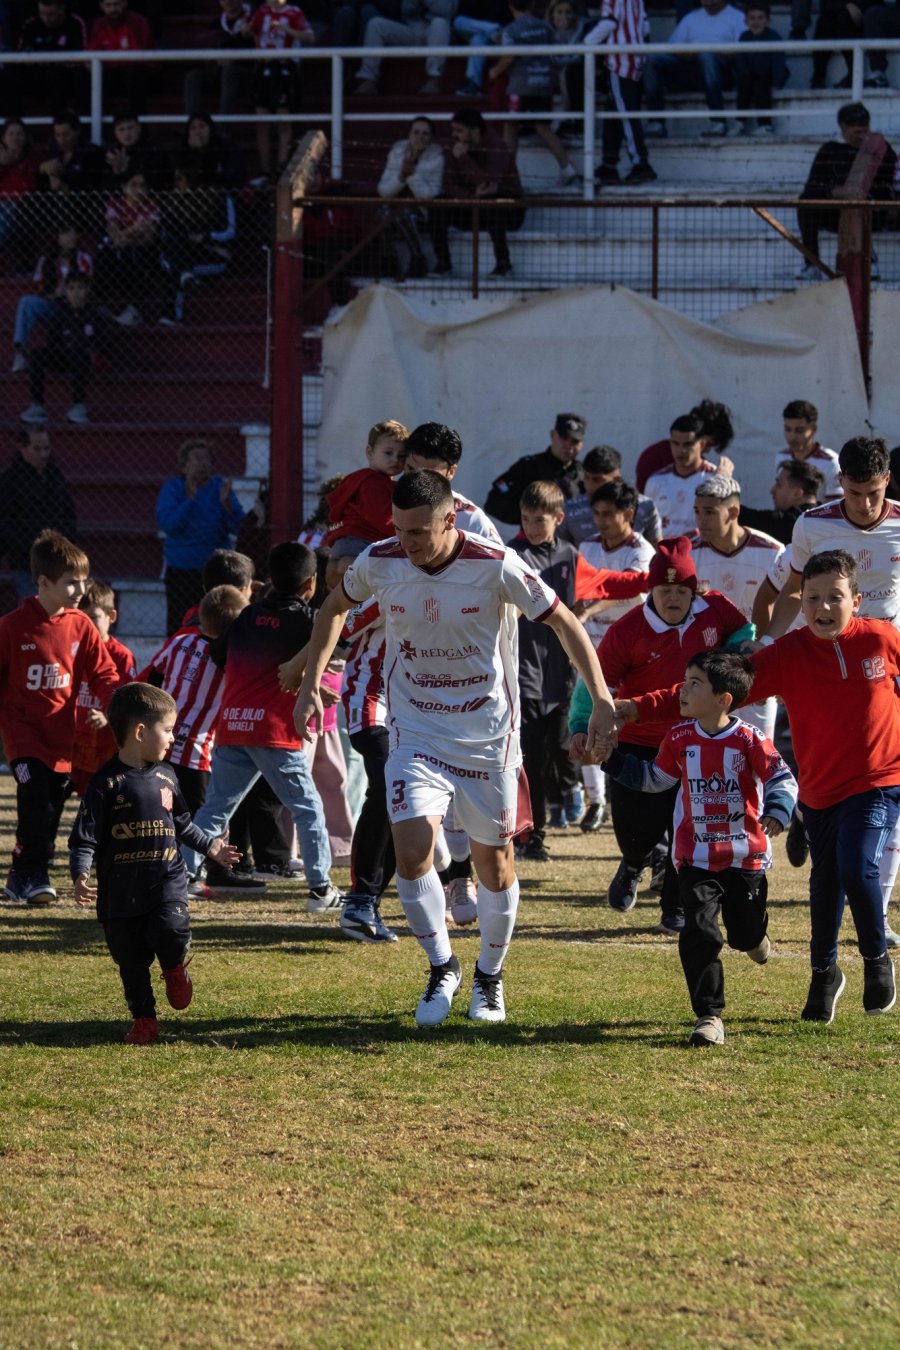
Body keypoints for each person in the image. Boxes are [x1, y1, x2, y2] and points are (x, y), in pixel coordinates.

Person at [294, 470, 618, 1026]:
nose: (407, 542)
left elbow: (565, 622)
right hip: (415, 731)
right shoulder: (381, 558)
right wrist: (308, 686)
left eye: (419, 532)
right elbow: (332, 608)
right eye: (400, 529)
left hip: (488, 737)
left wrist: (603, 699)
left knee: (495, 865)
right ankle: (442, 966)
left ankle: (489, 976)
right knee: (412, 849)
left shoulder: (496, 564)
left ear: (449, 520)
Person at [623, 550, 900, 1023]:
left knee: (857, 867)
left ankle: (876, 959)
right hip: (819, 791)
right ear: (801, 602)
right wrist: (635, 708)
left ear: (856, 601)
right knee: (825, 885)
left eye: (835, 597)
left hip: (879, 781)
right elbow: (712, 688)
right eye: (812, 598)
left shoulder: (882, 638)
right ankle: (824, 973)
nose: (823, 607)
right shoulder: (788, 654)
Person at [592, 650, 797, 1046]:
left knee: (743, 935)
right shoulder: (679, 738)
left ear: (723, 699)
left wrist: (778, 810)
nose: (682, 691)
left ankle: (755, 939)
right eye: (684, 682)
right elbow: (655, 779)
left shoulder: (749, 739)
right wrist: (612, 762)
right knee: (699, 932)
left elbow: (781, 778)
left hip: (745, 859)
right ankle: (709, 1015)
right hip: (695, 858)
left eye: (694, 684)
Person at [754, 436, 900, 945]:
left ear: (888, 482)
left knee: (887, 780)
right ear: (840, 483)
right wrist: (767, 648)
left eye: (874, 493)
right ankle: (807, 815)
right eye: (855, 493)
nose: (865, 504)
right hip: (825, 661)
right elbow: (787, 590)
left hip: (883, 664)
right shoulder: (812, 525)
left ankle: (878, 913)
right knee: (829, 765)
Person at [577, 535, 750, 930]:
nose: (673, 598)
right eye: (664, 590)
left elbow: (743, 629)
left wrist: (742, 646)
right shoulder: (628, 630)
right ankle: (633, 862)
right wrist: (580, 728)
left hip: (694, 742)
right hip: (638, 744)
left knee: (687, 831)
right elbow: (594, 684)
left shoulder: (715, 609)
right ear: (650, 591)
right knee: (636, 832)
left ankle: (676, 907)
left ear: (694, 591)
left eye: (681, 590)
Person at [70, 683, 242, 1046]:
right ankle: (144, 1019)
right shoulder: (105, 783)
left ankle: (174, 967)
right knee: (130, 960)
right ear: (140, 732)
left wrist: (212, 848)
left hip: (166, 879)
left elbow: (183, 824)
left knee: (171, 929)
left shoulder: (167, 776)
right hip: (120, 892)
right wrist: (80, 874)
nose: (173, 737)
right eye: (167, 729)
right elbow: (85, 837)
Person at [182, 542, 341, 915]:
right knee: (307, 808)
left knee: (214, 809)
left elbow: (219, 655)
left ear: (269, 579)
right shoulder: (309, 621)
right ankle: (321, 889)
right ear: (311, 583)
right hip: (273, 733)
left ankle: (184, 875)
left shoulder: (246, 616)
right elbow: (331, 648)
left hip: (233, 727)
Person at [0, 530, 118, 906]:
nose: (81, 589)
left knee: (50, 806)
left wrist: (115, 704)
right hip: (23, 736)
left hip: (61, 738)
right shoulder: (12, 626)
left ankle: (23, 874)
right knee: (34, 796)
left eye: (83, 581)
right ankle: (33, 873)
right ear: (43, 582)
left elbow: (104, 673)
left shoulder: (81, 625)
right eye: (71, 582)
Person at [508, 480, 583, 861]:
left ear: (558, 518)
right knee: (531, 760)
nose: (532, 527)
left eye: (539, 520)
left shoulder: (571, 556)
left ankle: (570, 792)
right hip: (525, 673)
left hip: (561, 675)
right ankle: (531, 836)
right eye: (526, 519)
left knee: (563, 748)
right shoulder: (512, 555)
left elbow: (586, 601)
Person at [692, 473, 783, 738]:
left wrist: (774, 661)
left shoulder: (772, 552)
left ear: (733, 512)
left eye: (709, 512)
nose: (700, 520)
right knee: (709, 750)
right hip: (707, 674)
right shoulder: (689, 554)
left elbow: (787, 612)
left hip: (756, 671)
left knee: (759, 749)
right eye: (697, 511)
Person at [155, 439, 252, 637]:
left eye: (207, 459)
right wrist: (189, 501)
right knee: (179, 623)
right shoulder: (174, 488)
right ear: (184, 465)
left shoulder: (220, 487)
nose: (203, 463)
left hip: (214, 567)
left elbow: (239, 527)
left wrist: (227, 507)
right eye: (198, 459)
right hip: (182, 568)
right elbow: (170, 526)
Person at [487, 0, 581, 191]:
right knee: (543, 127)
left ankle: (509, 176)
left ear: (510, 6)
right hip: (543, 84)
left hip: (520, 87)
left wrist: (494, 71)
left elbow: (508, 57)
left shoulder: (511, 30)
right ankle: (568, 168)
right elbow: (556, 53)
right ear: (531, 5)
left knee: (510, 128)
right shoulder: (545, 27)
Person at [797, 103, 896, 277]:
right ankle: (812, 265)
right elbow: (812, 188)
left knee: (858, 204)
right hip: (834, 210)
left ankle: (867, 259)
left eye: (864, 130)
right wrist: (836, 192)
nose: (861, 136)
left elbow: (886, 186)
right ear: (843, 127)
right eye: (856, 132)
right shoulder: (830, 150)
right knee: (805, 203)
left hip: (871, 211)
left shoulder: (880, 149)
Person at [430, 107, 525, 280]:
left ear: (475, 131)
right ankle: (443, 263)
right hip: (473, 204)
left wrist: (464, 159)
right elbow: (449, 185)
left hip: (508, 211)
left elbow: (487, 184)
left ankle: (504, 263)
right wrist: (471, 195)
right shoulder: (454, 147)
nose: (454, 135)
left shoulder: (497, 146)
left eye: (459, 130)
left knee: (491, 201)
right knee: (438, 204)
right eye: (453, 130)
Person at [71, 580, 138, 797]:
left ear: (111, 616)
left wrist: (107, 716)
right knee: (52, 800)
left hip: (103, 746)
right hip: (72, 743)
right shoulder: (71, 651)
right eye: (80, 618)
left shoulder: (121, 656)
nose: (86, 625)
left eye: (93, 617)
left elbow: (127, 701)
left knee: (97, 802)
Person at [323, 419, 408, 588]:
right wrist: (407, 533)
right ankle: (348, 563)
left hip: (347, 542)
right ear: (370, 452)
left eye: (401, 456)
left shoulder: (365, 479)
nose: (395, 460)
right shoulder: (373, 483)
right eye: (388, 453)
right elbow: (383, 518)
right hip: (359, 543)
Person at [644, 0, 747, 139]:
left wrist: (711, 52)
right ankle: (656, 122)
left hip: (721, 73)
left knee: (707, 56)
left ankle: (718, 122)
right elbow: (672, 47)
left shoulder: (737, 17)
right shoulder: (691, 17)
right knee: (652, 60)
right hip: (689, 69)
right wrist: (690, 53)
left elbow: (742, 53)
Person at [19, 271, 108, 427]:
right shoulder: (61, 313)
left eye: (80, 288)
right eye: (71, 288)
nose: (76, 293)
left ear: (87, 290)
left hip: (84, 358)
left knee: (80, 353)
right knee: (38, 353)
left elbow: (102, 341)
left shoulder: (95, 313)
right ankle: (37, 406)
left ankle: (78, 406)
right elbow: (52, 341)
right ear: (65, 291)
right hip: (64, 355)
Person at [240, 0, 315, 179]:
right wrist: (245, 29)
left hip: (284, 70)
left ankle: (283, 168)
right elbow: (247, 32)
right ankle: (265, 171)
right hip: (263, 70)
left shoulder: (294, 12)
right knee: (262, 122)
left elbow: (310, 37)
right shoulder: (261, 11)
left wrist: (288, 30)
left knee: (283, 120)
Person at [0, 427, 77, 600]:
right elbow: (6, 523)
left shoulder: (55, 476)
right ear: (22, 448)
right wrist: (28, 548)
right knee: (36, 605)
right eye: (37, 449)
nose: (43, 454)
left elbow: (68, 512)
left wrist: (66, 541)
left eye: (46, 448)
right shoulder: (10, 481)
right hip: (27, 560)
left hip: (56, 557)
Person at [584, 0, 656, 185]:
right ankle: (609, 164)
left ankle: (641, 163)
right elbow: (645, 27)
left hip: (619, 60)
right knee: (613, 112)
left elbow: (609, 22)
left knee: (624, 113)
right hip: (635, 57)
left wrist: (585, 44)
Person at [11, 221, 93, 374]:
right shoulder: (46, 260)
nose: (70, 237)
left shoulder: (84, 259)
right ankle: (20, 352)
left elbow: (88, 285)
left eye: (73, 233)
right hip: (53, 303)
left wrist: (69, 292)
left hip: (75, 306)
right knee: (26, 302)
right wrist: (54, 293)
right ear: (57, 237)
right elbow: (39, 287)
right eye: (65, 233)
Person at [485, 411, 587, 527]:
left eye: (574, 441)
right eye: (564, 438)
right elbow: (493, 503)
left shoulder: (585, 474)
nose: (568, 445)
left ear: (581, 444)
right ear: (553, 435)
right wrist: (531, 517)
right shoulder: (529, 467)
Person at [377, 117, 444, 280]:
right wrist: (401, 177)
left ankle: (418, 257)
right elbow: (383, 190)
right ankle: (389, 258)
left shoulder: (437, 159)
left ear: (431, 138)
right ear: (409, 135)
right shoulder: (396, 154)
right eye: (416, 132)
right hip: (395, 210)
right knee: (383, 212)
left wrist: (412, 175)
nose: (420, 137)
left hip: (424, 214)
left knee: (404, 213)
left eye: (425, 134)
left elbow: (429, 195)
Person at [559, 443, 661, 546]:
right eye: (586, 478)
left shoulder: (644, 507)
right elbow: (559, 549)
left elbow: (657, 548)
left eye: (597, 480)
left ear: (617, 480)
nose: (589, 486)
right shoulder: (569, 509)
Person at [353, 0, 457, 97]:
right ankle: (368, 79)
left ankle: (434, 79)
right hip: (413, 30)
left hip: (437, 32)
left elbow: (446, 10)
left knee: (439, 23)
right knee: (376, 24)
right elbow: (405, 10)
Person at [643, 416, 722, 538]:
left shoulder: (715, 478)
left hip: (702, 548)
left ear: (702, 445)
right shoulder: (655, 481)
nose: (681, 450)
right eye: (676, 443)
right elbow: (645, 525)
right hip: (664, 549)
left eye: (688, 444)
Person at [635, 399, 734, 493]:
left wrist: (721, 481)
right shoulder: (654, 458)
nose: (706, 450)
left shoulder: (705, 470)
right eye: (708, 444)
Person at [12, 2, 87, 118]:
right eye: (42, 13)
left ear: (61, 9)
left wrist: (54, 62)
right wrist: (29, 59)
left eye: (51, 14)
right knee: (11, 74)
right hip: (36, 76)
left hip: (67, 77)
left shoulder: (75, 23)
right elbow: (19, 54)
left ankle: (61, 121)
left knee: (59, 75)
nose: (45, 18)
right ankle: (14, 122)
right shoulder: (31, 23)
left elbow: (84, 56)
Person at [737, 458, 824, 546]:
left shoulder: (792, 523)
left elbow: (746, 516)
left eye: (779, 485)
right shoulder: (825, 517)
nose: (772, 490)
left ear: (797, 493)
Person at [88, 0, 154, 115]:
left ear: (125, 3)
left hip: (140, 74)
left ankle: (138, 122)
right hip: (113, 73)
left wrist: (109, 62)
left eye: (116, 4)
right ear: (101, 6)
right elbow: (91, 54)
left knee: (134, 72)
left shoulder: (137, 22)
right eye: (108, 5)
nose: (113, 9)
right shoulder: (99, 24)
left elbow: (137, 57)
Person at [767, 400, 841, 499]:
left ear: (813, 429)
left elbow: (834, 505)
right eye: (788, 429)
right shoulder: (781, 457)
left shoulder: (831, 463)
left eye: (799, 430)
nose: (792, 437)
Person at [736, 2, 788, 136]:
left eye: (760, 18)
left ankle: (765, 125)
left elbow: (778, 63)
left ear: (768, 20)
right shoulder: (744, 37)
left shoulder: (774, 37)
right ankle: (740, 122)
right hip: (750, 75)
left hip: (768, 75)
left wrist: (777, 83)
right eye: (752, 18)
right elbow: (741, 62)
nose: (756, 22)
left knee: (761, 82)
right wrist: (742, 76)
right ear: (746, 21)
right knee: (745, 81)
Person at [102, 113, 171, 193]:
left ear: (139, 128)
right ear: (115, 133)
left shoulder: (154, 151)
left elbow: (162, 181)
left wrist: (130, 170)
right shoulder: (113, 154)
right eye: (121, 129)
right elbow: (104, 190)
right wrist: (117, 173)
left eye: (130, 128)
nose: (126, 133)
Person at [37, 112, 104, 195]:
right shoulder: (53, 152)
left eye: (66, 135)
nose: (61, 140)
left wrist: (64, 188)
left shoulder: (93, 153)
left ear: (77, 131)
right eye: (57, 135)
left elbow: (92, 190)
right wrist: (42, 168)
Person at [0, 119, 40, 252]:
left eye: (19, 134)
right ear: (3, 138)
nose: (15, 138)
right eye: (11, 134)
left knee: (8, 211)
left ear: (25, 137)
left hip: (20, 205)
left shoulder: (33, 159)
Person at [453, 0, 508, 98]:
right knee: (459, 21)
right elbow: (465, 14)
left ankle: (473, 84)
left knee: (478, 38)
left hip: (501, 37)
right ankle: (495, 30)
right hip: (484, 31)